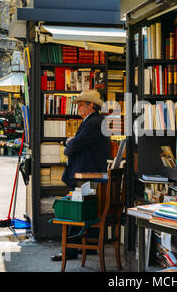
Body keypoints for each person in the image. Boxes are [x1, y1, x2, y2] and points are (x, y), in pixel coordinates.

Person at [51, 90, 109, 262]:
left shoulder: (93, 122)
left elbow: (73, 147)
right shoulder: (94, 121)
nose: (78, 107)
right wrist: (72, 143)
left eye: (81, 104)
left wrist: (69, 143)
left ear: (91, 105)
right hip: (88, 173)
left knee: (75, 212)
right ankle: (86, 247)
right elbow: (78, 144)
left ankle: (70, 251)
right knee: (85, 210)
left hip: (86, 174)